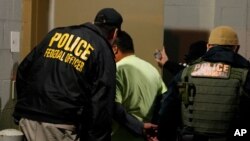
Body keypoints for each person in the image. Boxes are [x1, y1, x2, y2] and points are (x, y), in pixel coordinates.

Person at [13, 8, 123, 141]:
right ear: (115, 33)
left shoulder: (56, 34)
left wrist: (22, 109)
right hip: (60, 126)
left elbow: (23, 70)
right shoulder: (103, 50)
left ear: (94, 23)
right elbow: (101, 104)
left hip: (28, 120)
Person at [158, 26, 250, 141]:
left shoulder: (186, 73)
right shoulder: (245, 75)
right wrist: (240, 135)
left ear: (208, 46)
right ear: (236, 48)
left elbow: (166, 113)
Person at [111, 31, 167, 141]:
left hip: (119, 137)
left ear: (114, 49)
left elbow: (115, 108)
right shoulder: (152, 69)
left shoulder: (116, 70)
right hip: (146, 137)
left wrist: (139, 127)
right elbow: (163, 102)